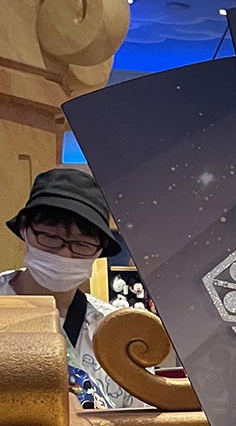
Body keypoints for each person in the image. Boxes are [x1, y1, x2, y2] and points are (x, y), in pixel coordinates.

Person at [2, 167, 139, 408]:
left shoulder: (115, 328)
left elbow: (139, 416)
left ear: (99, 250)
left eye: (81, 243)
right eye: (51, 236)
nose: (64, 253)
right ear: (24, 230)